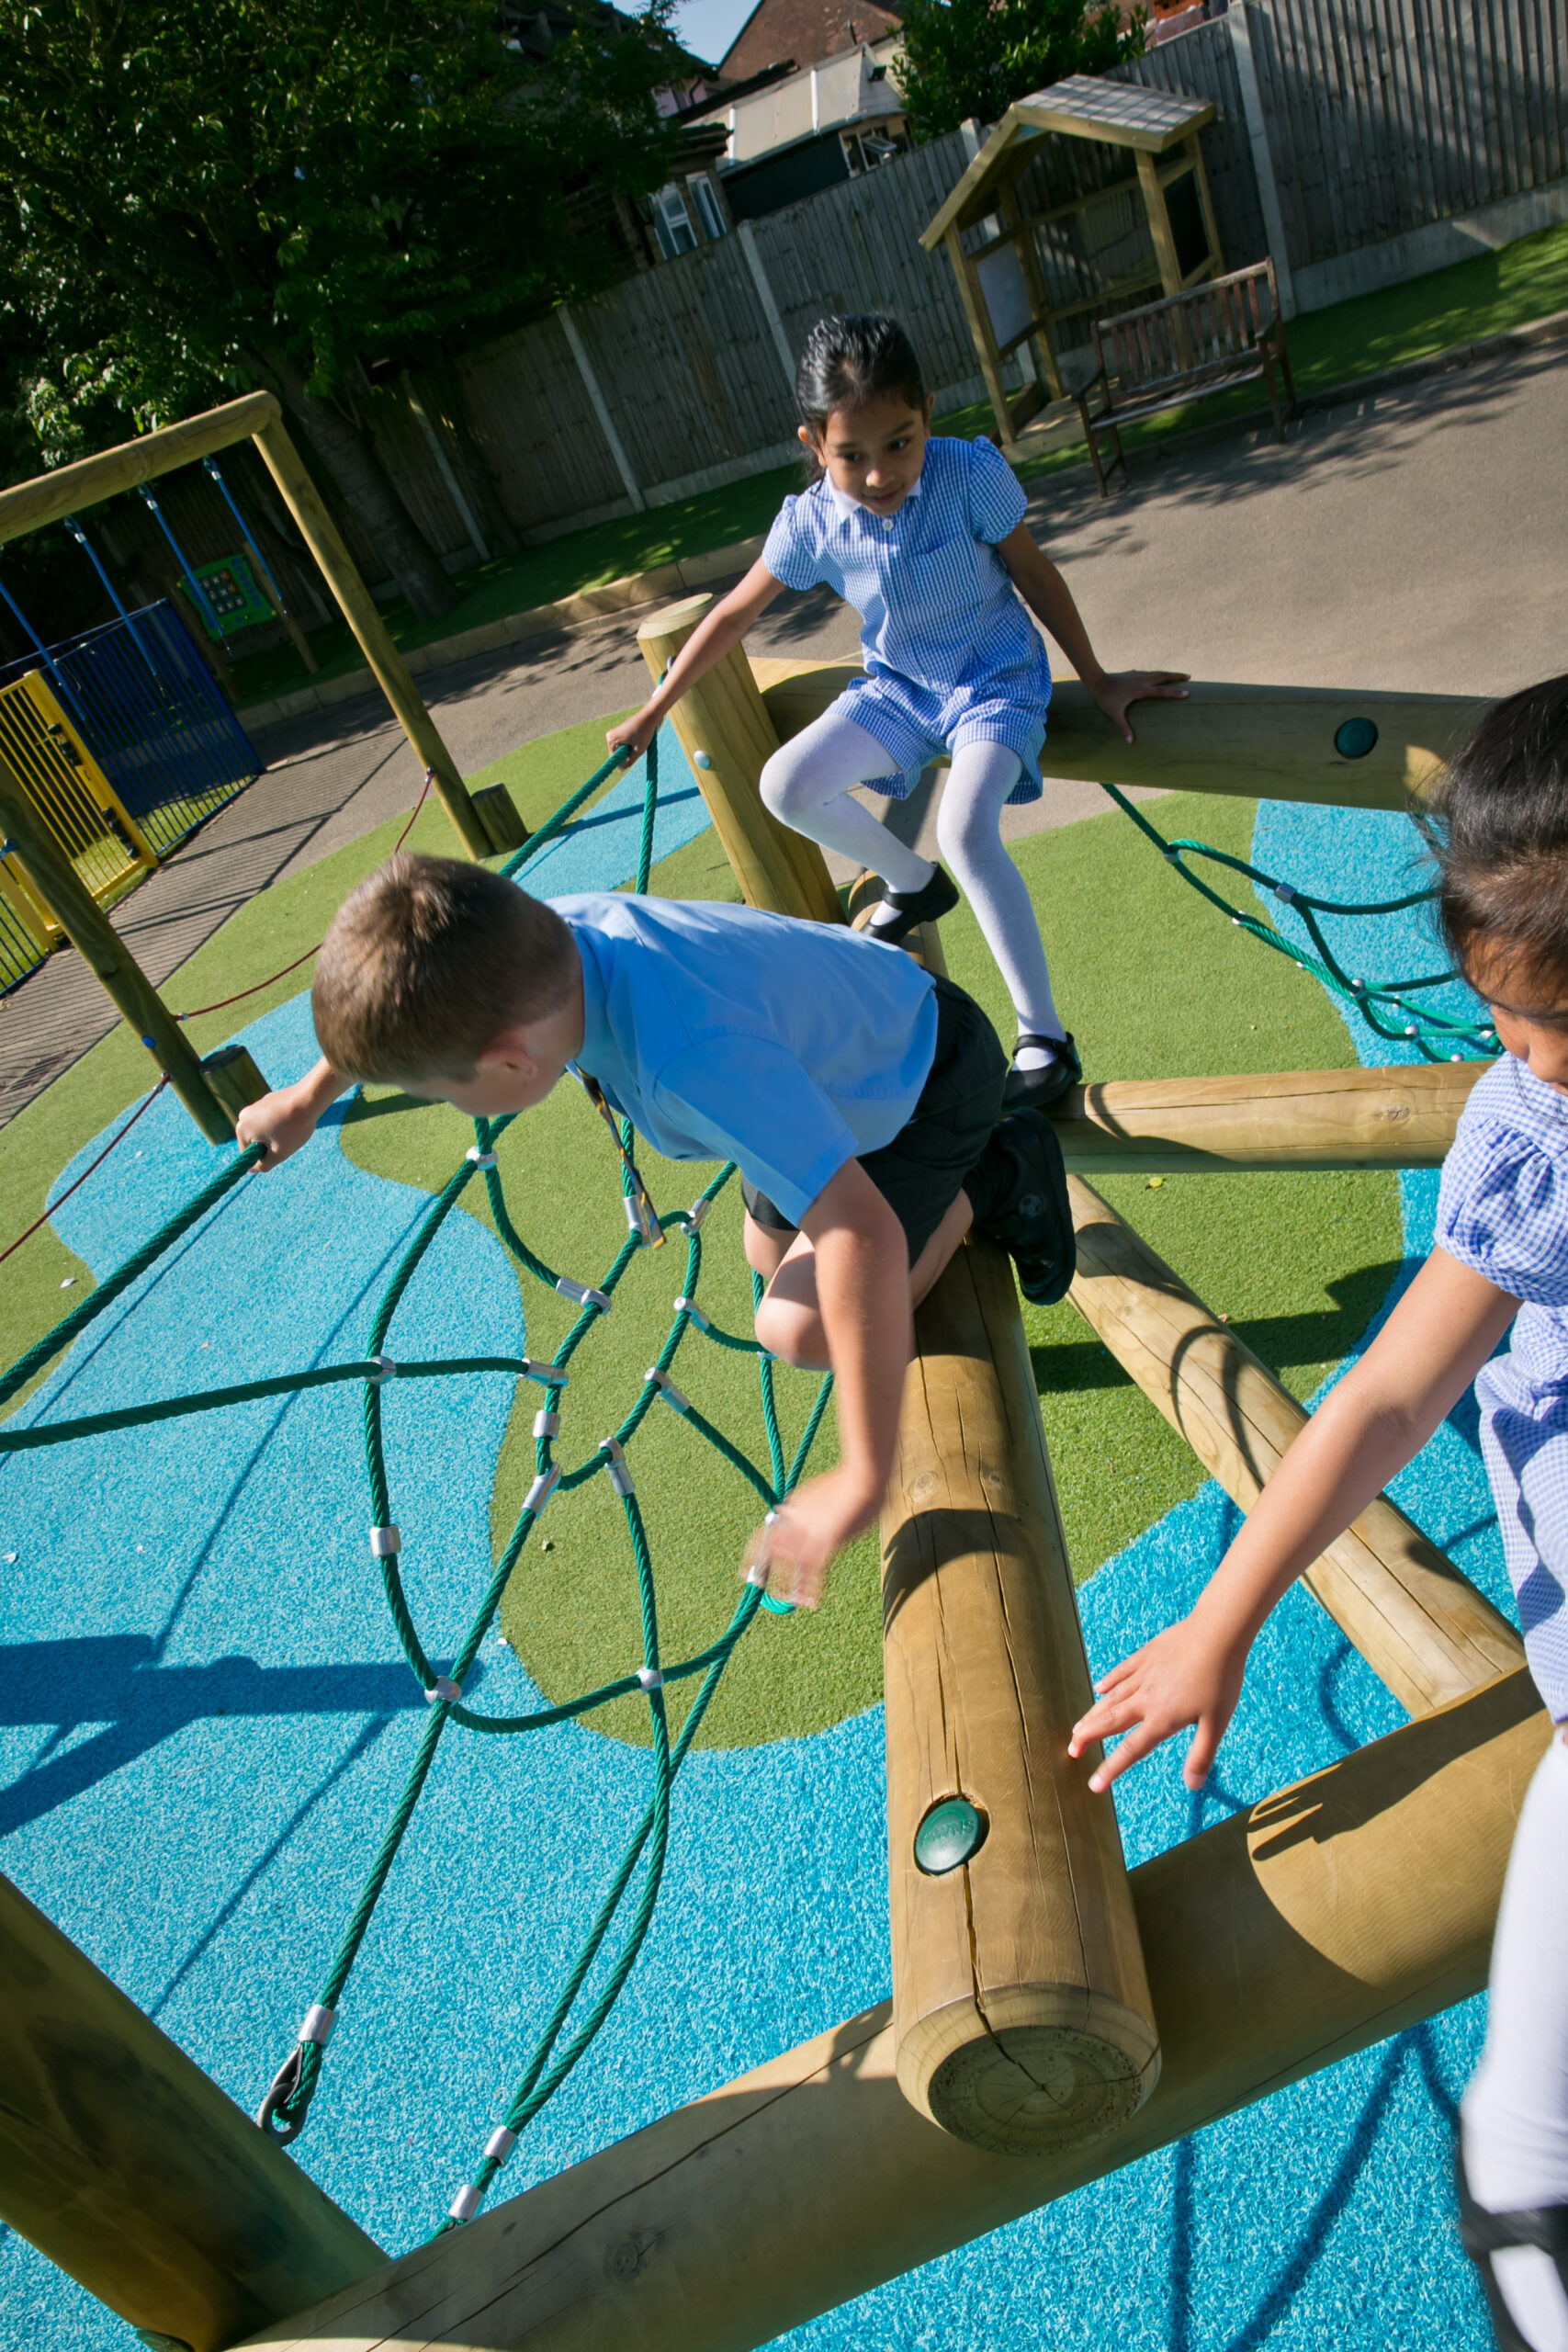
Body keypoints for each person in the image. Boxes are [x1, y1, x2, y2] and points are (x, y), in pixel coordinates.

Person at [1066, 675, 1568, 2352]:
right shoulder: (1528, 1141)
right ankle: (1523, 2176)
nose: (1540, 1063)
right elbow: (1380, 1394)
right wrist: (1222, 1620)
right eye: (1511, 1026)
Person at [234, 853, 1075, 1607]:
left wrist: (862, 1475)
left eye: (448, 1094)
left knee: (799, 1325)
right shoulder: (536, 940)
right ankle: (959, 1177)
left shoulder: (689, 1059)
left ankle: (997, 1172)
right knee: (764, 1252)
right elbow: (416, 988)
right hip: (835, 1057)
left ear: (510, 1064)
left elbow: (863, 1235)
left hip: (920, 1080)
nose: (457, 1109)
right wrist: (306, 1098)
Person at [606, 311, 1188, 1114]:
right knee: (786, 785)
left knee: (965, 827)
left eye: (899, 443)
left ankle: (1043, 1038)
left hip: (993, 682)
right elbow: (732, 616)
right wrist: (652, 709)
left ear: (927, 416)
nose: (880, 474)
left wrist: (1095, 678)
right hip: (901, 692)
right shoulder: (811, 522)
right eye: (851, 455)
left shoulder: (963, 474)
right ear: (813, 443)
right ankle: (911, 884)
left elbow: (1036, 575)